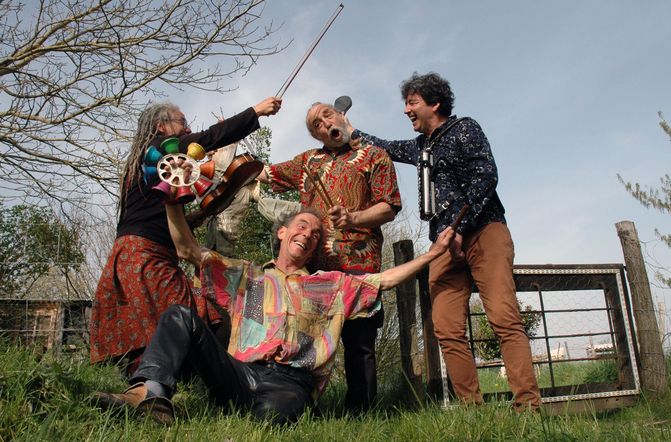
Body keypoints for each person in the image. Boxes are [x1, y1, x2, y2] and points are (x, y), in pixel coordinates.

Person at [93, 206, 454, 425]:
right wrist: (172, 201)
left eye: (315, 234)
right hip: (238, 372)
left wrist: (433, 253)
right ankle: (150, 394)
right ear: (282, 232)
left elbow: (385, 279)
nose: (308, 235)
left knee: (274, 418)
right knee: (178, 316)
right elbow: (187, 248)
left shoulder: (331, 285)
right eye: (301, 226)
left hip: (290, 384)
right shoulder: (246, 276)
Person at [350, 72, 541, 411]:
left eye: (412, 102)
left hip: (483, 231)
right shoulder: (422, 146)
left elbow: (486, 175)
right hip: (443, 244)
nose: (406, 110)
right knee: (446, 326)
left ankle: (528, 406)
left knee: (503, 317)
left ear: (434, 103)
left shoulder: (464, 128)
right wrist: (349, 131)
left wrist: (460, 226)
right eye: (406, 103)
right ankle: (471, 409)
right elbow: (386, 147)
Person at [89, 96, 282, 374]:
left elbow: (159, 221)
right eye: (182, 122)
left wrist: (202, 214)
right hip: (146, 256)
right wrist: (256, 112)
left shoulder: (146, 165)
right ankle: (177, 385)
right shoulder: (159, 151)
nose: (189, 129)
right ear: (161, 127)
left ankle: (158, 383)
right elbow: (209, 138)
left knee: (160, 322)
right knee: (190, 315)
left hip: (133, 255)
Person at [256, 101, 402, 412]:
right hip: (314, 270)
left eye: (326, 115)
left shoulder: (374, 155)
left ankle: (361, 414)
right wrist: (228, 153)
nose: (323, 123)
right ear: (315, 135)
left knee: (359, 343)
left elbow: (389, 206)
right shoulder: (308, 162)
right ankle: (300, 406)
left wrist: (353, 218)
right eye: (315, 124)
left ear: (340, 115)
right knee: (305, 339)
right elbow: (266, 173)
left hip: (359, 264)